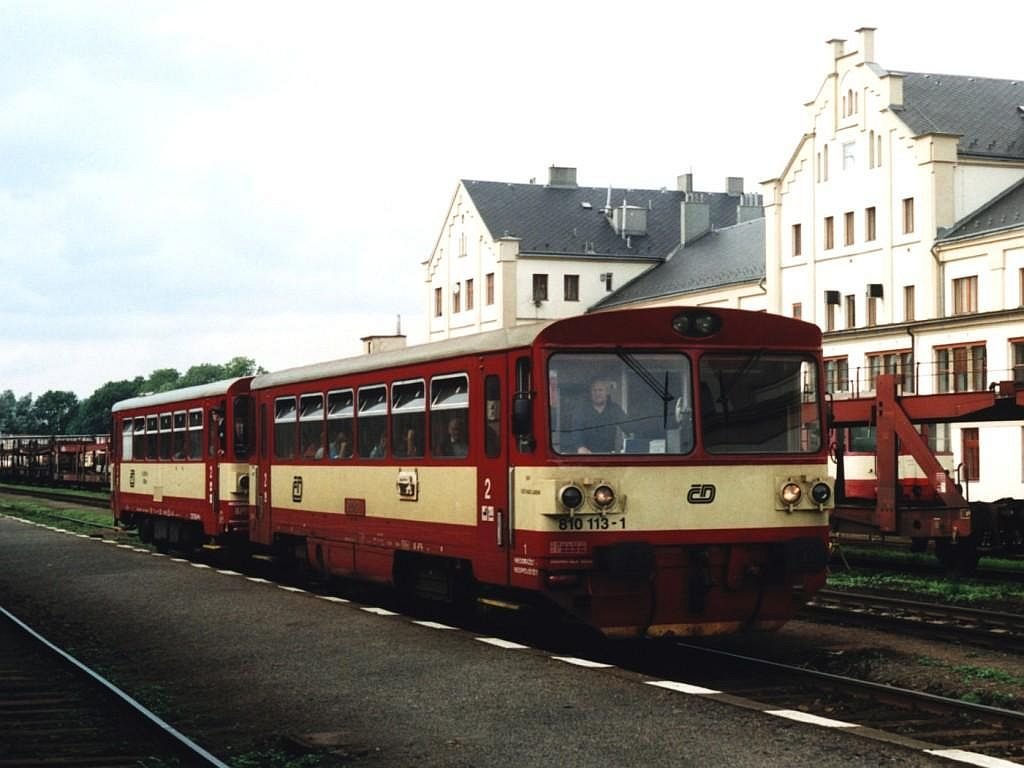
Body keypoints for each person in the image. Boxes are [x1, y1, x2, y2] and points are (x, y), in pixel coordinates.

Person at [567, 379, 626, 454]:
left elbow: (628, 426)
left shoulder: (615, 409)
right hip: (586, 455)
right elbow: (576, 431)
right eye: (594, 390)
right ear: (590, 393)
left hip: (608, 455)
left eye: (600, 390)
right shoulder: (581, 410)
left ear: (606, 392)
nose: (597, 393)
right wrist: (580, 446)